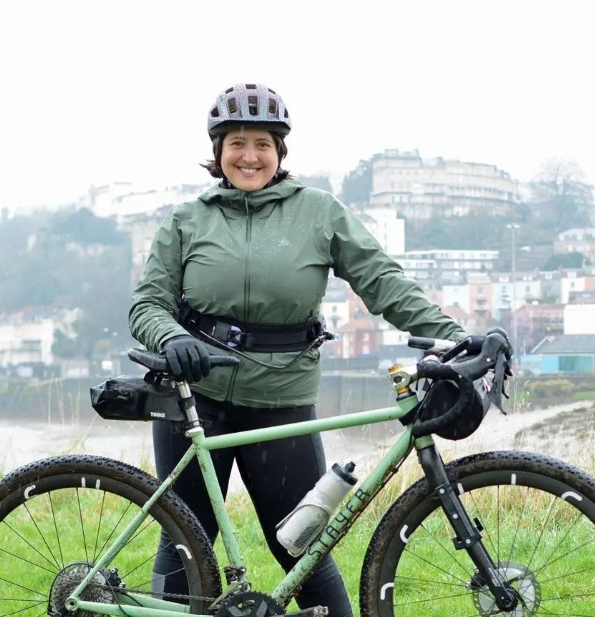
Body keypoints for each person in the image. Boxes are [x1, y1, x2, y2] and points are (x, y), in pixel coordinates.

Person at [129, 82, 467, 616]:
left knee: (305, 549)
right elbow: (147, 304)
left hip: (281, 400)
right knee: (182, 552)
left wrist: (452, 335)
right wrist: (172, 339)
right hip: (193, 397)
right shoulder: (186, 221)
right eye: (236, 142)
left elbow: (383, 282)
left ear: (280, 152)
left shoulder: (318, 213)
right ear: (217, 152)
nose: (249, 155)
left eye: (263, 143)